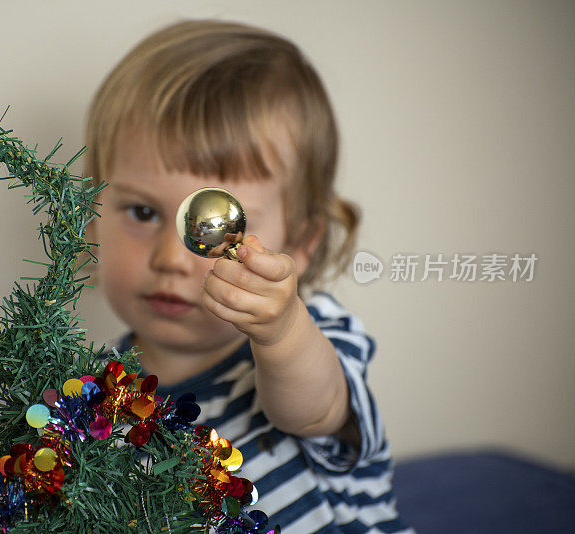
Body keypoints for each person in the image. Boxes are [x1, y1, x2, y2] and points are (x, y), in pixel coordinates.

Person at [82, 18, 414, 534]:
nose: (172, 257)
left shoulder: (314, 332)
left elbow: (313, 410)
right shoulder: (96, 396)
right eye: (143, 213)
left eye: (213, 229)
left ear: (301, 243)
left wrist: (281, 332)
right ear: (90, 218)